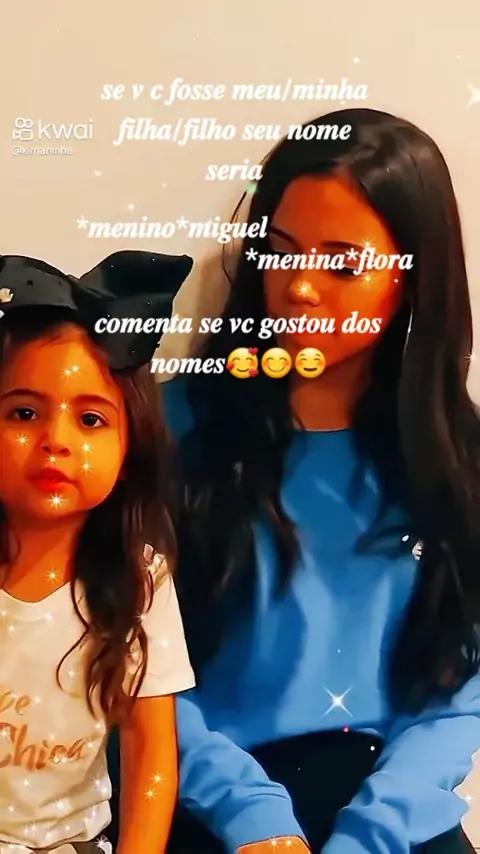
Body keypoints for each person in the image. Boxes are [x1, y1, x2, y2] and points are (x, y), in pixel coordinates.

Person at [158, 109, 480, 853]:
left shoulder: (458, 464)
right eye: (281, 252)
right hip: (206, 801)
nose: (299, 288)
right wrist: (251, 818)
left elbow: (463, 688)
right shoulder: (168, 431)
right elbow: (117, 658)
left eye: (343, 264)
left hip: (393, 817)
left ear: (414, 279)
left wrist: (371, 834)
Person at [0, 251, 195, 854]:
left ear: (130, 443)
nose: (56, 440)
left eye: (90, 419)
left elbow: (150, 748)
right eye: (24, 413)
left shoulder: (140, 579)